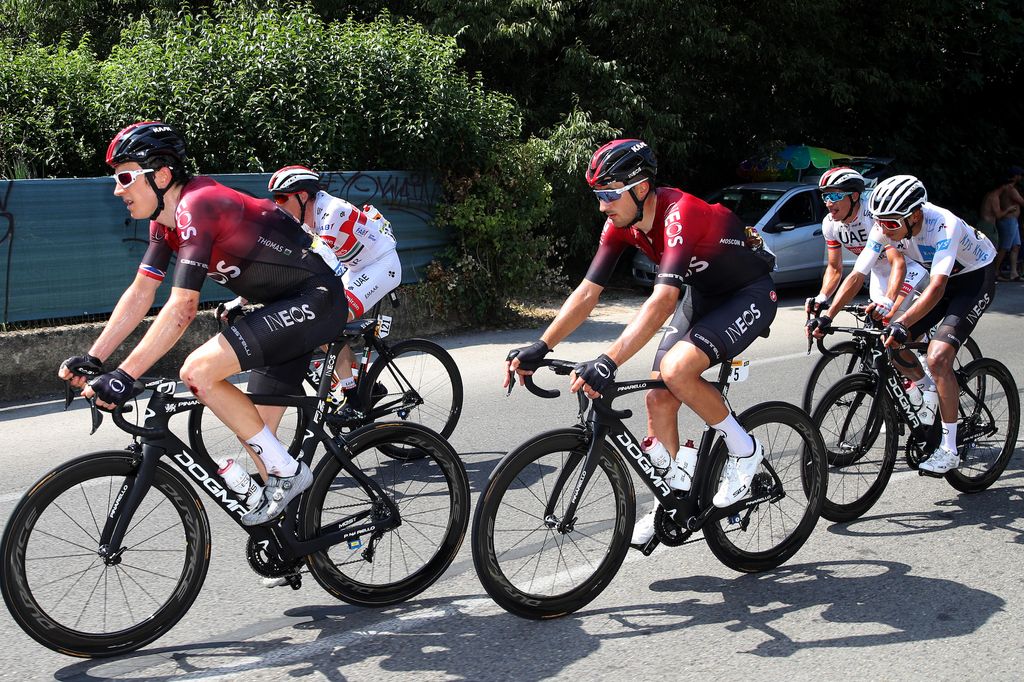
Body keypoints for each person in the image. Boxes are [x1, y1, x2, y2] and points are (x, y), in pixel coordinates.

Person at [57, 121, 347, 525]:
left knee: (197, 371)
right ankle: (291, 542)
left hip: (315, 299)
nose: (117, 190)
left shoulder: (199, 204)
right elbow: (141, 293)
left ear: (161, 175)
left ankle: (292, 475)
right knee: (259, 438)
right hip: (278, 305)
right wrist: (94, 357)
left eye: (124, 177)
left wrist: (125, 375)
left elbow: (181, 310)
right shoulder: (166, 222)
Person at [504, 138, 778, 547]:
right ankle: (672, 500)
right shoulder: (620, 225)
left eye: (609, 195)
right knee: (658, 398)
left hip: (747, 294)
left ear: (641, 187)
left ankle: (745, 450)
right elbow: (587, 292)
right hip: (703, 297)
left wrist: (608, 360)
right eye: (598, 195)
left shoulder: (677, 213)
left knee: (677, 370)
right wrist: (542, 345)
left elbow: (664, 300)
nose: (602, 206)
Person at [808, 175, 996, 475]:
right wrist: (827, 314)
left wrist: (902, 322)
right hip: (941, 281)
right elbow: (857, 274)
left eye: (892, 224)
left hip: (973, 280)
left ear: (916, 215)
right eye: (880, 223)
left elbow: (935, 289)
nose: (885, 231)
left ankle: (949, 449)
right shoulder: (887, 225)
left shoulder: (944, 225)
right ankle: (928, 390)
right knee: (892, 344)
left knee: (937, 357)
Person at [265, 165, 401, 418]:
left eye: (282, 197)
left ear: (302, 196)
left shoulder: (332, 211)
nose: (278, 204)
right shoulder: (302, 217)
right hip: (355, 267)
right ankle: (367, 386)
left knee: (328, 319)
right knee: (318, 324)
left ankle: (353, 397)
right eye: (275, 198)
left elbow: (315, 265)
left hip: (381, 265)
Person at [806, 167, 927, 322]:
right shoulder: (829, 224)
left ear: (854, 196)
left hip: (908, 269)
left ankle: (923, 340)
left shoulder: (874, 217)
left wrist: (888, 300)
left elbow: (898, 262)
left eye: (835, 195)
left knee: (890, 320)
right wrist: (822, 297)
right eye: (825, 196)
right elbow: (835, 268)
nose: (829, 203)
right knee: (875, 326)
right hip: (879, 273)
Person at [995, 166, 1024, 280]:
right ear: (1015, 176)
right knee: (1005, 247)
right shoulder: (1010, 189)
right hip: (1008, 221)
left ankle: (1013, 273)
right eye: (1020, 175)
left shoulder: (1011, 188)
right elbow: (1022, 202)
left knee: (1016, 246)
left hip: (1013, 221)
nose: (1021, 177)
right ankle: (995, 271)